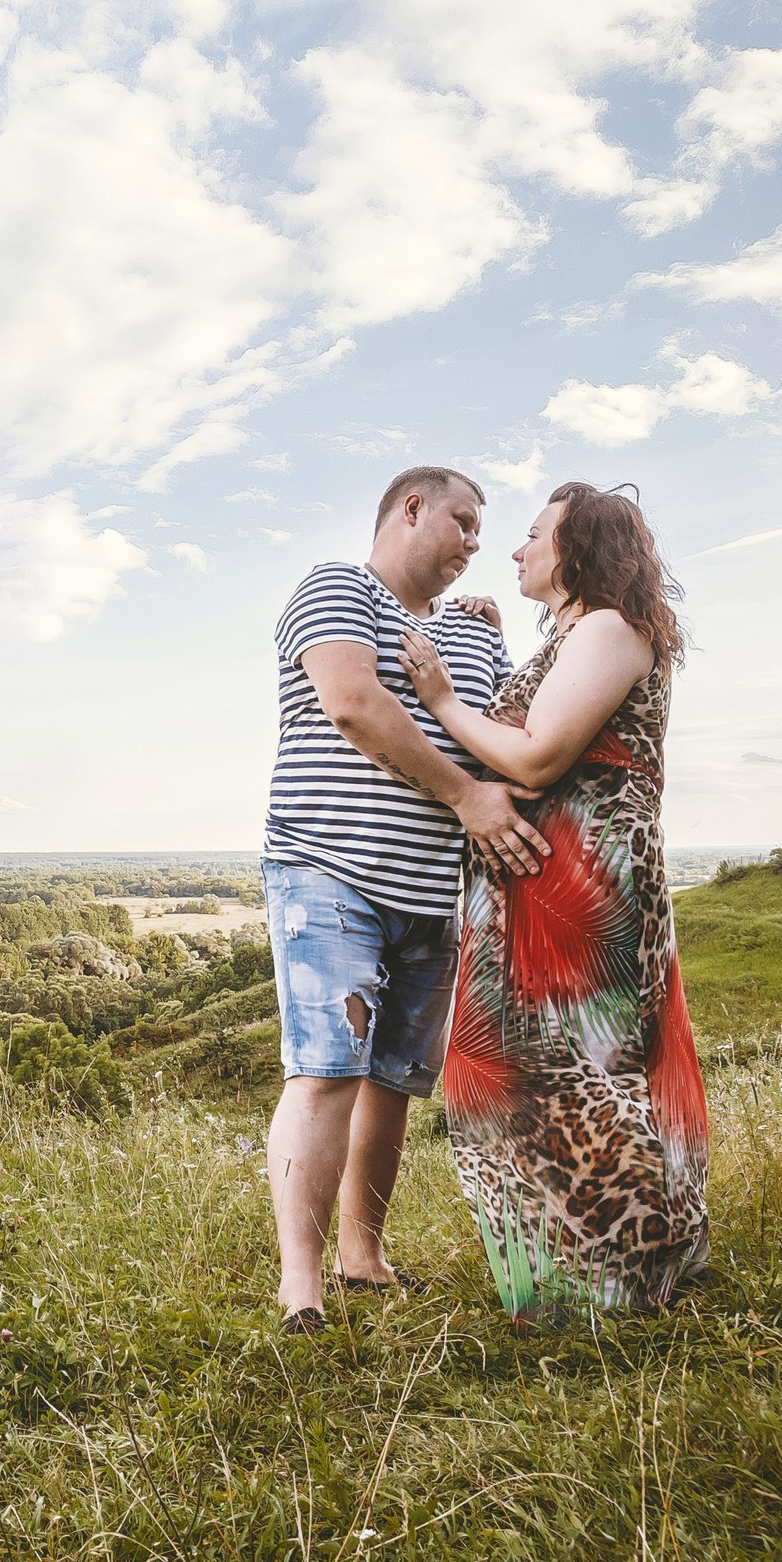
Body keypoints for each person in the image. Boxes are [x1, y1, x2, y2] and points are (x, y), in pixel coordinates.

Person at [396, 481, 709, 1325]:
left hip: (579, 883)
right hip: (545, 877)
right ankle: (580, 1279)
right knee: (543, 1075)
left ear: (575, 550)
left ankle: (623, 1283)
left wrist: (442, 699)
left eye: (533, 534)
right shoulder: (578, 636)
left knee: (583, 1074)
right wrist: (497, 644)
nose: (514, 548)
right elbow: (535, 719)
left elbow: (535, 757)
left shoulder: (609, 627)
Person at [261, 465, 552, 1334]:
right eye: (462, 521)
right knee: (326, 1072)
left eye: (482, 530)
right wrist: (465, 798)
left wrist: (505, 641)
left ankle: (364, 1256)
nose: (476, 542)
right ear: (411, 508)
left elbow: (511, 732)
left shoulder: (474, 633)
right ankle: (301, 1288)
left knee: (393, 1080)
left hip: (431, 892)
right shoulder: (338, 586)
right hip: (329, 869)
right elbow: (352, 702)